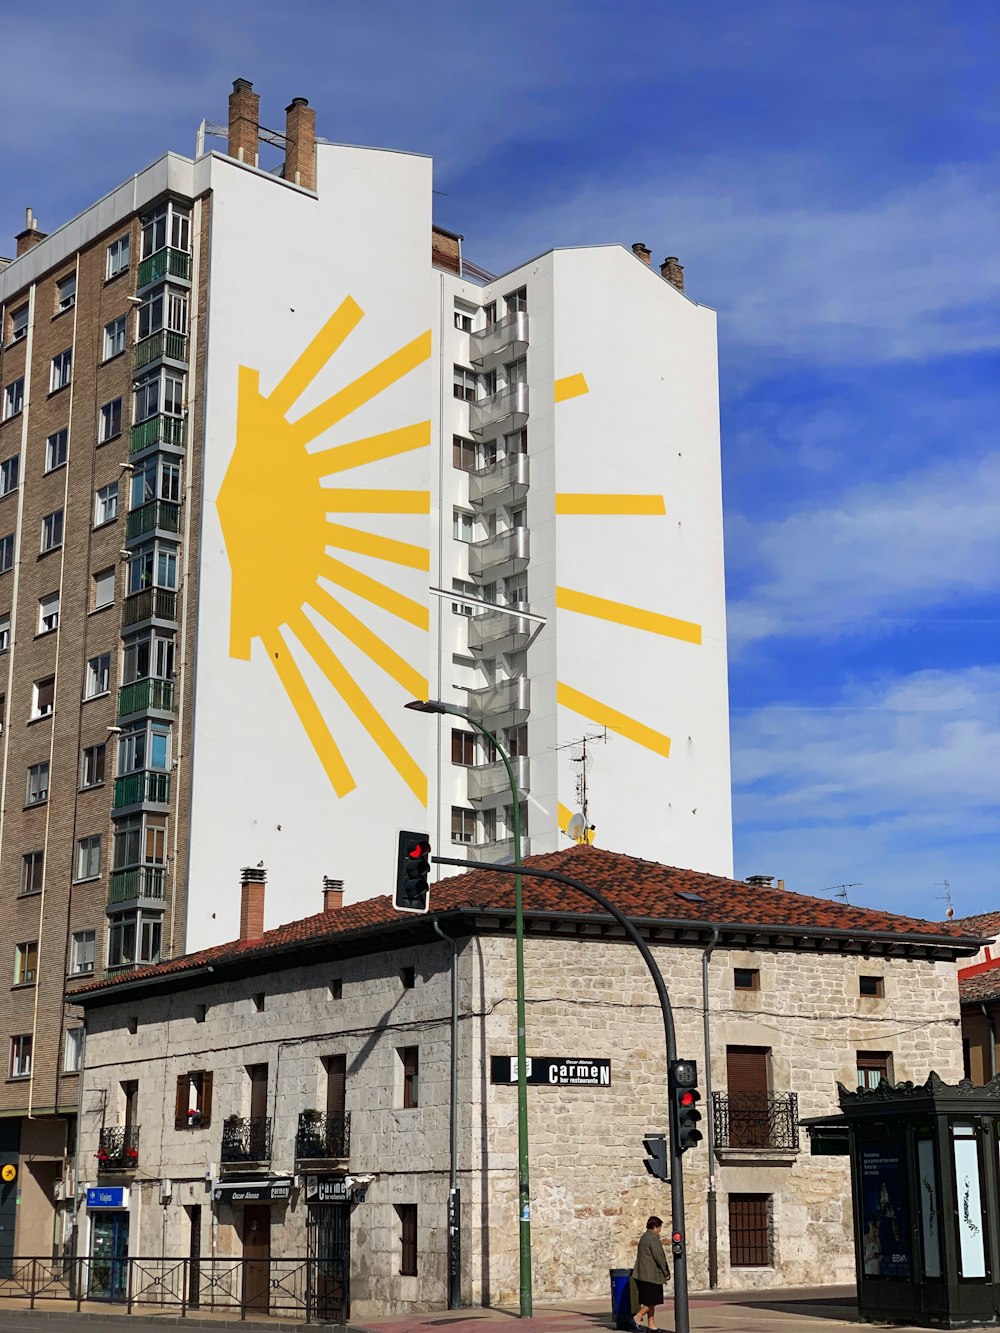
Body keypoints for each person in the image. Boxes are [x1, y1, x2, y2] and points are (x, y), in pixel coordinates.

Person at [633, 1215, 670, 1331]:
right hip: (651, 1275)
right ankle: (638, 1316)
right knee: (653, 1300)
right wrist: (666, 1271)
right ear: (655, 1227)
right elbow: (659, 1256)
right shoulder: (653, 1239)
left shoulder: (644, 1237)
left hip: (642, 1274)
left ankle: (651, 1325)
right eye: (659, 1228)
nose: (660, 1231)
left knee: (650, 1301)